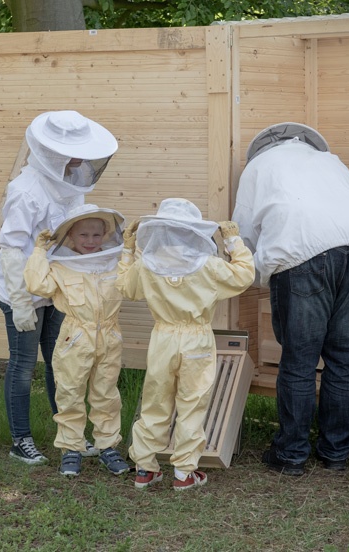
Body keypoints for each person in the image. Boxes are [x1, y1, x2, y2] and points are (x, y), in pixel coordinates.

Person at [231, 122, 349, 476]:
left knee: (299, 360)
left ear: (262, 149)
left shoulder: (257, 168)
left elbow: (243, 238)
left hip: (302, 255)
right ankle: (335, 454)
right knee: (346, 360)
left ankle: (292, 454)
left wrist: (250, 277)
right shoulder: (331, 161)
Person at [0, 110, 118, 465]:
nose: (80, 162)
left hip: (58, 288)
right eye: (72, 155)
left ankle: (70, 436)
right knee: (21, 366)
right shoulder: (25, 191)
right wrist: (20, 302)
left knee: (61, 363)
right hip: (24, 293)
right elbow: (12, 247)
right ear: (52, 153)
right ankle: (21, 439)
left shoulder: (70, 182)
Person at [116, 198, 255, 491]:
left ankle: (144, 468)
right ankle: (183, 474)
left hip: (162, 338)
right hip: (197, 340)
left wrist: (127, 251)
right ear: (193, 232)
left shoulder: (147, 266)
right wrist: (233, 241)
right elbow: (244, 275)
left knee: (156, 401)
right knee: (193, 403)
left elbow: (126, 288)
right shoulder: (209, 266)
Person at [24, 204, 130, 477]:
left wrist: (131, 250)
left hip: (109, 336)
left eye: (96, 235)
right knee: (69, 393)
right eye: (84, 235)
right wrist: (38, 251)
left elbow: (134, 283)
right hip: (75, 337)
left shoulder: (115, 261)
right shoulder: (61, 265)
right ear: (70, 236)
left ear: (106, 235)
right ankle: (71, 449)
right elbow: (37, 285)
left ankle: (108, 448)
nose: (91, 241)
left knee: (106, 394)